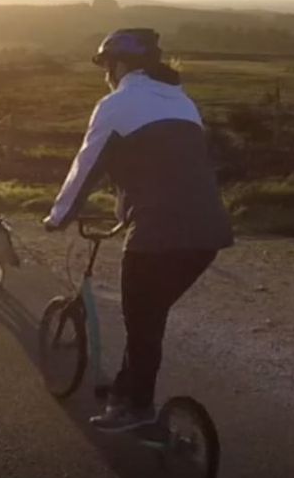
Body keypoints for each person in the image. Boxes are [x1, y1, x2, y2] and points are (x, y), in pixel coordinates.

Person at [43, 28, 233, 433]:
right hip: (208, 234)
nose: (105, 74)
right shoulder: (183, 102)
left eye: (107, 65)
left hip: (158, 235)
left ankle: (135, 406)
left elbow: (85, 167)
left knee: (143, 322)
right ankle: (126, 389)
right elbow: (172, 169)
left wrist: (58, 217)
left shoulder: (116, 104)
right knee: (149, 317)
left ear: (120, 65)